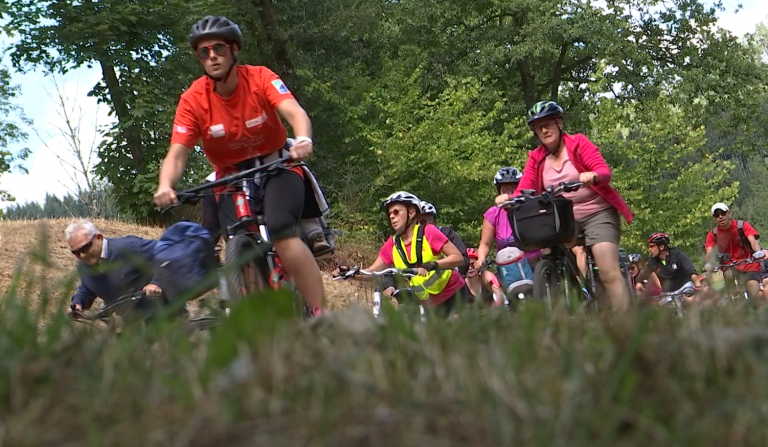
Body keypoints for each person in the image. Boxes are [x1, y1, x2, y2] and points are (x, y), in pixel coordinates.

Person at [152, 16, 327, 316]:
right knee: (234, 236)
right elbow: (177, 153)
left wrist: (303, 140)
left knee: (282, 230)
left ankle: (319, 314)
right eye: (203, 52)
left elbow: (294, 111)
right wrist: (165, 185)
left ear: (234, 50)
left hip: (277, 164)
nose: (211, 57)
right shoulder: (193, 99)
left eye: (218, 48)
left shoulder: (259, 78)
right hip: (230, 176)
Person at [495, 101, 633, 312]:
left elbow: (603, 170)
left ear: (558, 123)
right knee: (548, 249)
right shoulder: (537, 158)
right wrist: (509, 198)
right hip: (563, 218)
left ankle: (626, 323)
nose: (543, 130)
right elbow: (525, 188)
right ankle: (564, 287)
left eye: (547, 124)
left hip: (597, 213)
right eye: (538, 127)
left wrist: (593, 175)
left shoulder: (578, 144)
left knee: (607, 269)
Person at [333, 191, 468, 315]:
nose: (392, 216)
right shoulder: (391, 245)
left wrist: (433, 264)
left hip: (453, 293)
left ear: (411, 213)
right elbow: (373, 271)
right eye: (390, 214)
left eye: (396, 212)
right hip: (428, 301)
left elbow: (457, 258)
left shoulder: (429, 232)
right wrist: (349, 274)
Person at [66, 220, 215, 316]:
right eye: (75, 252)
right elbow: (88, 286)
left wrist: (158, 282)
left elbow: (167, 254)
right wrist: (78, 303)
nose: (81, 255)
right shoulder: (84, 267)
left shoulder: (128, 247)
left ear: (98, 238)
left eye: (85, 248)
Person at [476, 167, 535, 292]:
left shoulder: (529, 208)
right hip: (507, 265)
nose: (508, 194)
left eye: (513, 190)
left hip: (532, 261)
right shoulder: (493, 214)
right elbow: (485, 244)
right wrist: (481, 259)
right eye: (504, 190)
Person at [704, 202, 766, 298]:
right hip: (729, 267)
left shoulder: (741, 226)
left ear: (729, 213)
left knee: (753, 290)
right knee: (730, 289)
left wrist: (758, 252)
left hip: (749, 264)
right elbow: (709, 251)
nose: (720, 217)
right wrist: (708, 263)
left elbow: (753, 241)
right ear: (714, 218)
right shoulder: (713, 234)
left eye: (723, 213)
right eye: (717, 215)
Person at [636, 233, 702, 302]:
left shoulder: (677, 254)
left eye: (652, 246)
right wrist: (639, 283)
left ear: (661, 247)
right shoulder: (652, 261)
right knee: (662, 309)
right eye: (649, 247)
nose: (649, 249)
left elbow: (691, 270)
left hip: (684, 287)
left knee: (688, 300)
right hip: (668, 293)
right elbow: (643, 275)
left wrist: (698, 285)